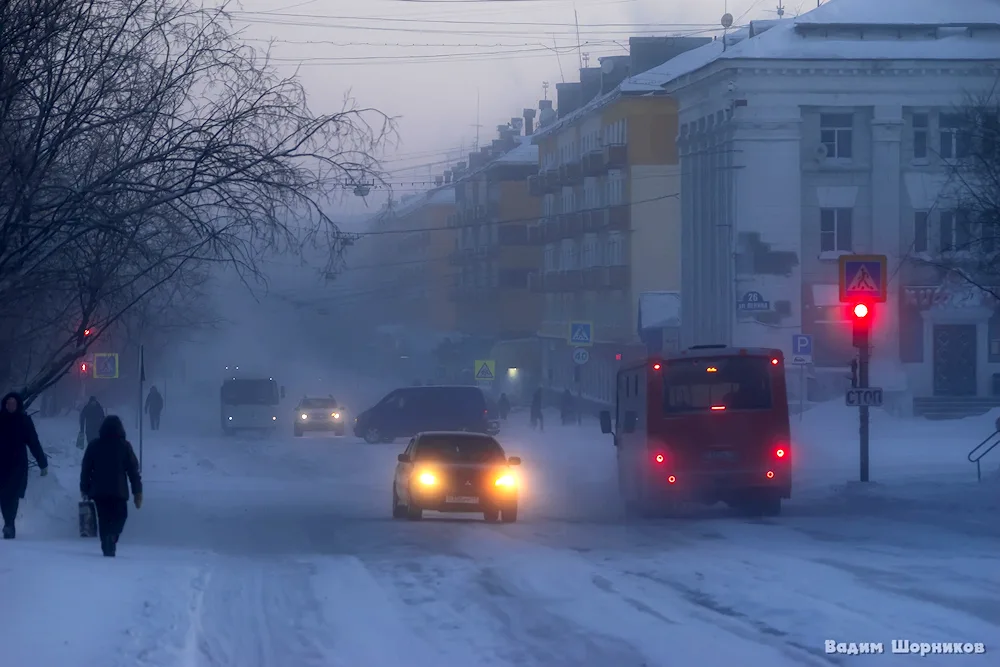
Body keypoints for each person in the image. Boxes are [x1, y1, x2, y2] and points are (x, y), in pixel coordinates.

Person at [80, 415, 142, 557]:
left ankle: (106, 542)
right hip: (119, 491)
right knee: (121, 516)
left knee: (103, 518)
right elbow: (133, 471)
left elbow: (86, 468)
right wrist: (137, 492)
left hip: (98, 490)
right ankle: (113, 537)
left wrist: (84, 487)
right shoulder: (125, 446)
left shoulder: (94, 445)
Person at [0, 391, 49, 539]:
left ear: (18, 405)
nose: (10, 406)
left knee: (13, 494)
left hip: (18, 464)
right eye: (8, 404)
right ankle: (9, 522)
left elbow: (33, 442)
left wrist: (42, 462)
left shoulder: (24, 421)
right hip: (1, 464)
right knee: (3, 495)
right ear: (5, 404)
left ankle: (9, 523)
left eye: (13, 404)